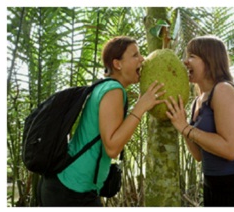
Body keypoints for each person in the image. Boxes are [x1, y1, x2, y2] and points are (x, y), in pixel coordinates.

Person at [39, 36, 165, 206]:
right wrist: (140, 107)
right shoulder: (113, 90)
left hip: (74, 186)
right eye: (135, 55)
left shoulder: (105, 86)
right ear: (117, 64)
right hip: (70, 190)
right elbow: (112, 147)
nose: (142, 59)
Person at [164, 35, 234, 206]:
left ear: (209, 60)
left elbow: (230, 150)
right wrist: (182, 126)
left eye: (192, 56)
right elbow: (199, 155)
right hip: (214, 183)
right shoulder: (197, 101)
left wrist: (186, 128)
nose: (185, 62)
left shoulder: (223, 90)